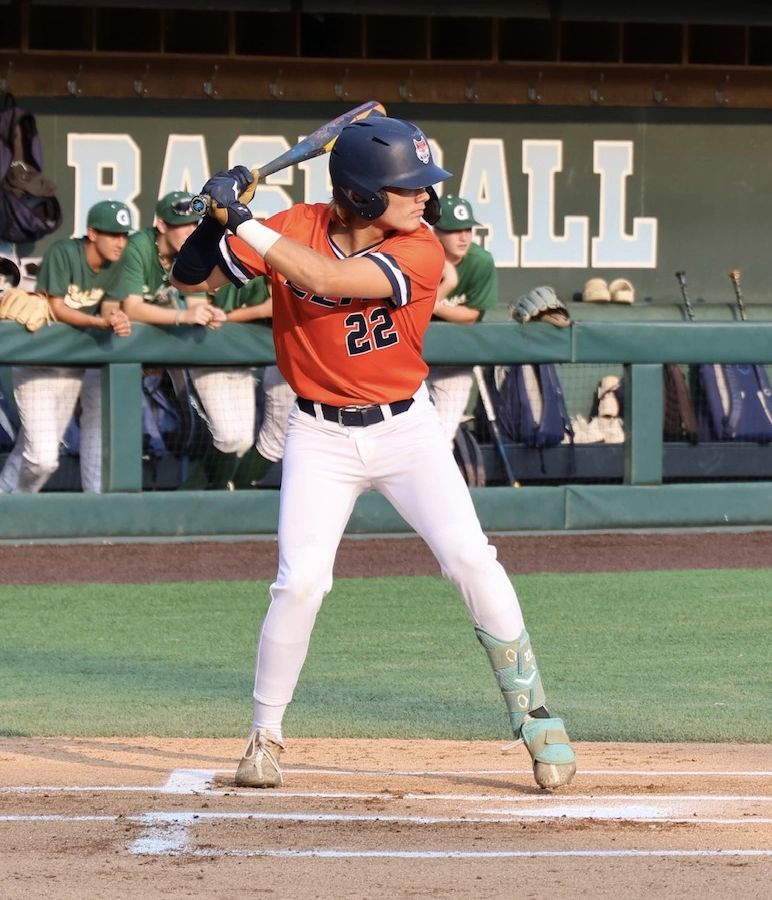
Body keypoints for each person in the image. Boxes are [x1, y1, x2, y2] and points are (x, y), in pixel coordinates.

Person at [171, 116, 576, 792]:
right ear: (359, 195)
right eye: (409, 187)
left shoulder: (420, 250)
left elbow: (326, 280)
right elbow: (192, 280)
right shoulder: (292, 222)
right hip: (318, 433)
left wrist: (241, 216)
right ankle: (265, 734)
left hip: (404, 431)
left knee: (471, 557)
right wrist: (219, 217)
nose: (426, 198)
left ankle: (534, 714)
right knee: (300, 582)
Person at [0, 200, 133, 493]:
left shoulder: (116, 262)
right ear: (92, 233)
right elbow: (57, 307)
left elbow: (110, 307)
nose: (120, 242)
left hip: (71, 369)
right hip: (37, 364)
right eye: (113, 234)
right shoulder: (64, 252)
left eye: (124, 235)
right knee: (43, 458)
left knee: (33, 449)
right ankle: (15, 507)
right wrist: (100, 323)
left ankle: (9, 505)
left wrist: (117, 318)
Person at [428, 194, 498, 445]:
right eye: (454, 230)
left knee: (442, 439)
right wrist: (450, 280)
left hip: (453, 358)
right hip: (409, 356)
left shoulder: (480, 261)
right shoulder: (419, 256)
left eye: (467, 229)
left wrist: (434, 304)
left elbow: (471, 315)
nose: (464, 237)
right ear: (436, 232)